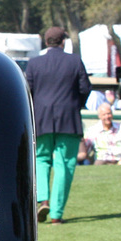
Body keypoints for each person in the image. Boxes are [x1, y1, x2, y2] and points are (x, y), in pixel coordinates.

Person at [25, 26, 92, 224]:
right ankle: (56, 214)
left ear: (46, 42)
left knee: (41, 159)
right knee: (65, 165)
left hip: (41, 119)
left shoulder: (34, 63)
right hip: (68, 120)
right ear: (63, 41)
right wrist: (76, 105)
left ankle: (43, 198)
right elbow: (85, 88)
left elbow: (27, 90)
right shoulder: (75, 61)